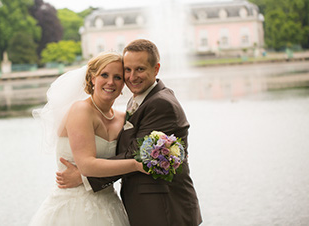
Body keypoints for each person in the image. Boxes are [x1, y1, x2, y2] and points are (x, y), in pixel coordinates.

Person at [57, 39, 203, 226]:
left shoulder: (161, 103)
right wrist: (88, 170)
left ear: (156, 69)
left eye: (140, 69)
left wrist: (84, 175)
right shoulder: (136, 102)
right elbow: (131, 154)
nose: (132, 77)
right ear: (92, 78)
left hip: (165, 208)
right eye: (127, 70)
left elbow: (137, 154)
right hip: (122, 205)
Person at [29, 52, 145, 226]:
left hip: (109, 205)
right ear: (92, 78)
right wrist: (137, 165)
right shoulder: (81, 110)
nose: (110, 82)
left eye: (118, 77)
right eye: (104, 75)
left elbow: (121, 159)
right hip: (72, 209)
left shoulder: (123, 119)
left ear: (124, 85)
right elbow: (87, 165)